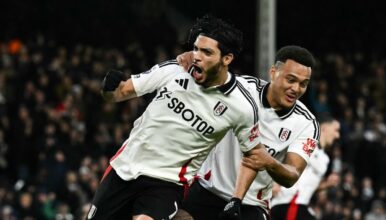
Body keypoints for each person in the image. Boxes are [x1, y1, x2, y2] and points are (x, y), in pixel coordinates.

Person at [87, 15, 264, 220]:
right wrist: (109, 88)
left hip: (167, 182)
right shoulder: (174, 70)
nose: (196, 56)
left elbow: (253, 154)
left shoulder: (241, 107)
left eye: (207, 52)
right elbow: (121, 92)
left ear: (227, 59)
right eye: (196, 48)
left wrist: (237, 199)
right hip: (124, 168)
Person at [175, 45, 318, 220]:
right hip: (207, 189)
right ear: (273, 72)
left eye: (303, 84)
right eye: (291, 80)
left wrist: (269, 162)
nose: (296, 89)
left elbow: (292, 175)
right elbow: (207, 75)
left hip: (251, 205)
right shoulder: (242, 88)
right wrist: (193, 59)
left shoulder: (306, 123)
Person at [271, 114, 340, 220]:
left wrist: (326, 184)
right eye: (336, 130)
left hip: (301, 205)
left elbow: (309, 187)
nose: (337, 135)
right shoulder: (306, 144)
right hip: (287, 203)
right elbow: (281, 157)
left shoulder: (325, 159)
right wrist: (274, 183)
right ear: (324, 127)